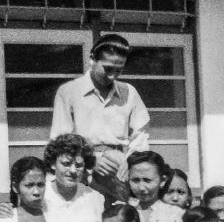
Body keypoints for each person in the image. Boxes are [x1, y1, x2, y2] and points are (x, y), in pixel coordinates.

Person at [51, 33, 150, 190]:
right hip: (83, 173)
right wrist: (91, 161)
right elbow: (60, 141)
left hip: (122, 174)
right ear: (92, 59)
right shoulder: (69, 92)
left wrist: (132, 162)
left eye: (119, 70)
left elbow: (140, 138)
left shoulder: (129, 92)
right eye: (108, 68)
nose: (112, 76)